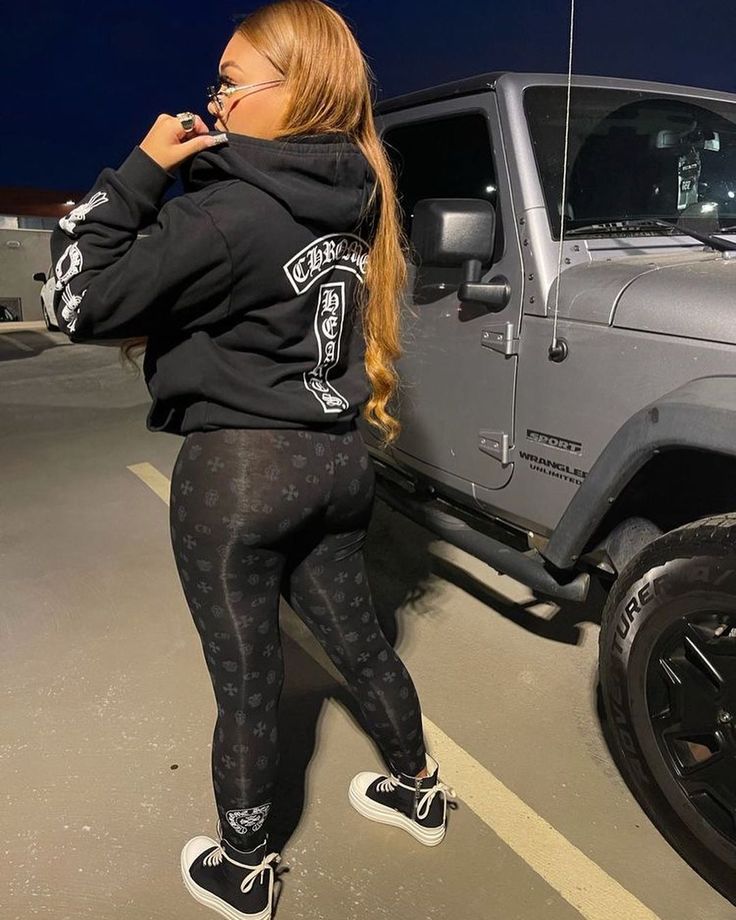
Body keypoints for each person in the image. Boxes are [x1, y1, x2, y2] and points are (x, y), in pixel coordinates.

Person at [49, 2, 455, 918]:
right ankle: (419, 786)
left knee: (247, 677)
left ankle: (242, 868)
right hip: (338, 458)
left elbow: (75, 301)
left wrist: (145, 167)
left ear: (298, 90)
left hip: (239, 473)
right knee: (360, 640)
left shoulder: (229, 212)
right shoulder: (358, 196)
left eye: (233, 79)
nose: (218, 99)